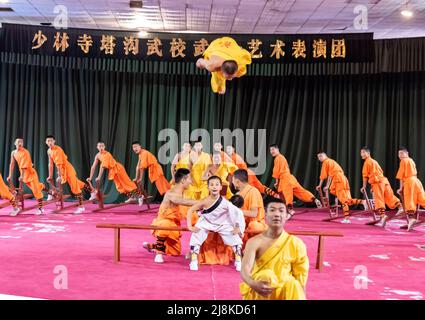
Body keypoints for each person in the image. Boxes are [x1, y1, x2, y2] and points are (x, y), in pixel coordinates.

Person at [240, 198, 309, 300]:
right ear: (265, 215)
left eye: (281, 211)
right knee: (265, 276)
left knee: (293, 284)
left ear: (286, 216)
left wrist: (302, 294)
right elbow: (245, 268)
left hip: (285, 291)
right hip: (262, 288)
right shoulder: (254, 242)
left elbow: (301, 275)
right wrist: (252, 283)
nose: (277, 214)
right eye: (272, 210)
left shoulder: (296, 243)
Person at [187, 176, 245, 271]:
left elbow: (237, 214)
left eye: (217, 184)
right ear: (208, 187)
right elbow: (190, 210)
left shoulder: (226, 203)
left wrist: (238, 227)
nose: (214, 187)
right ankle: (193, 260)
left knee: (236, 239)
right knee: (195, 236)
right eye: (212, 185)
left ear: (221, 187)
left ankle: (238, 261)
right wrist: (190, 226)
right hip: (206, 223)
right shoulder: (204, 201)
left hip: (222, 224)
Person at [143, 168, 198, 263]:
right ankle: (158, 254)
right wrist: (201, 202)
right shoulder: (171, 193)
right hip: (163, 223)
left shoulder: (182, 193)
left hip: (174, 224)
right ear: (183, 180)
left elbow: (185, 207)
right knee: (165, 224)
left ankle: (152, 246)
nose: (191, 181)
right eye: (189, 179)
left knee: (175, 251)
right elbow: (181, 201)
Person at [270, 144, 322, 217]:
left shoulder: (278, 158)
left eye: (273, 149)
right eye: (270, 150)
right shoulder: (282, 157)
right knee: (301, 192)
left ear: (277, 149)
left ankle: (290, 210)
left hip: (285, 179)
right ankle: (314, 199)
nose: (271, 151)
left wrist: (276, 182)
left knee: (287, 194)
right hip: (290, 178)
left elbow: (276, 171)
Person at [316, 151, 365, 223]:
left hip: (338, 180)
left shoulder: (326, 162)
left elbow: (323, 176)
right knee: (348, 200)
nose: (319, 159)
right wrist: (327, 185)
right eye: (318, 157)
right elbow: (330, 175)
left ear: (323, 156)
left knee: (343, 200)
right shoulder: (331, 161)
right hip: (343, 179)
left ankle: (347, 218)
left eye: (320, 157)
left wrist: (320, 185)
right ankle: (363, 202)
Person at [360, 146, 403, 226]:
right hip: (384, 181)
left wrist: (364, 186)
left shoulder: (367, 162)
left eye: (363, 152)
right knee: (389, 196)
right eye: (361, 152)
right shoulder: (374, 161)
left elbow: (365, 176)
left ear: (368, 153)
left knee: (378, 199)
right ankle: (400, 206)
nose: (361, 154)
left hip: (377, 182)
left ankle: (383, 216)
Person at [46, 135, 89, 214]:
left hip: (68, 169)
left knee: (75, 187)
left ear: (54, 141)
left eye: (51, 140)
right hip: (61, 170)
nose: (50, 142)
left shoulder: (58, 149)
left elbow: (59, 164)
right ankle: (92, 190)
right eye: (48, 141)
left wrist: (59, 176)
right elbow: (50, 164)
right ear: (46, 142)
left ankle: (81, 206)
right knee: (78, 183)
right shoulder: (49, 151)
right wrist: (50, 175)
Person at [7, 138, 45, 215]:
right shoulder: (13, 153)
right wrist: (10, 175)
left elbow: (24, 166)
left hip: (31, 174)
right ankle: (43, 186)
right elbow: (12, 164)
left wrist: (21, 176)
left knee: (36, 191)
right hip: (24, 175)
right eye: (18, 142)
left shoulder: (25, 152)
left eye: (21, 142)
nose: (20, 143)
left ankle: (41, 209)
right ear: (15, 143)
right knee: (37, 188)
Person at [232, 169, 267, 244]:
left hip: (254, 225)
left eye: (233, 180)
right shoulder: (237, 195)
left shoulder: (253, 191)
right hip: (242, 225)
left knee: (254, 226)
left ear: (237, 182)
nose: (232, 182)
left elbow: (254, 213)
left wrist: (237, 211)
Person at [396, 147, 425, 230]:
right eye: (399, 154)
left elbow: (401, 176)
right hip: (417, 181)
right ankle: (412, 219)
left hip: (409, 182)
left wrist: (401, 188)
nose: (400, 155)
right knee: (422, 198)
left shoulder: (403, 161)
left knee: (409, 200)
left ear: (407, 153)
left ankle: (412, 218)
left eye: (402, 153)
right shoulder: (411, 160)